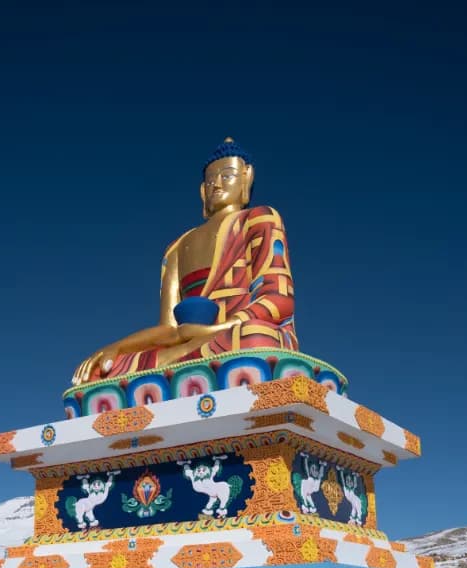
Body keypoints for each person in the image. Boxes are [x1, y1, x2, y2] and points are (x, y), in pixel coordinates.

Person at [72, 139, 299, 385]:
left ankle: (173, 375)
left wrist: (214, 330)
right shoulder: (176, 248)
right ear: (202, 190)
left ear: (247, 178)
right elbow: (169, 328)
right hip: (191, 345)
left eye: (228, 175)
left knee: (255, 337)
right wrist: (116, 348)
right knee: (103, 372)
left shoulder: (260, 219)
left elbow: (278, 299)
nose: (218, 184)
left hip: (236, 335)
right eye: (211, 180)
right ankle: (178, 373)